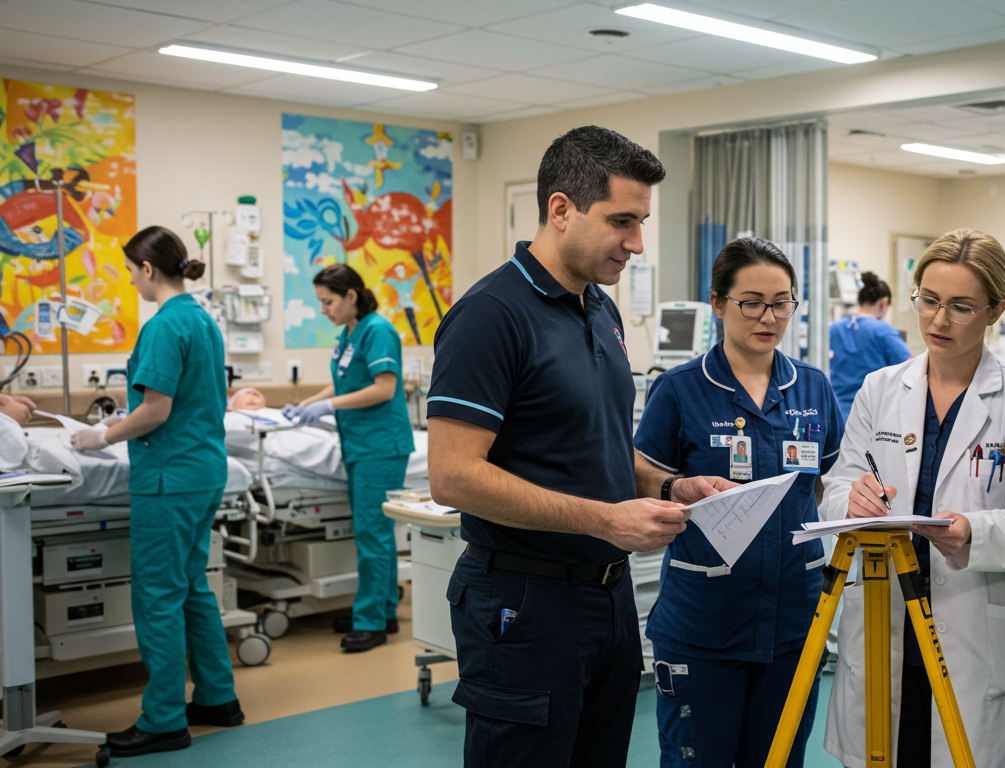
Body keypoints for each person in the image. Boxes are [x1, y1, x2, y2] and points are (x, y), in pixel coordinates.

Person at [425, 126, 731, 768]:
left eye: (642, 222)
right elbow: (452, 477)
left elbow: (599, 445)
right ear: (560, 209)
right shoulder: (491, 315)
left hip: (607, 596)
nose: (637, 244)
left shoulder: (600, 309)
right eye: (621, 221)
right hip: (523, 600)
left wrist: (669, 486)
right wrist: (606, 519)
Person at [821, 229, 1005, 768]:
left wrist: (973, 533)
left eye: (960, 306)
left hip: (977, 627)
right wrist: (851, 501)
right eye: (928, 301)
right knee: (893, 748)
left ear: (996, 309)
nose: (938, 320)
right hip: (887, 623)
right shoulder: (880, 389)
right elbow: (839, 485)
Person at [633, 237, 844, 768]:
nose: (768, 317)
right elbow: (636, 472)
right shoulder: (681, 389)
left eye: (781, 302)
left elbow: (835, 481)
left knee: (778, 760)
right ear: (719, 303)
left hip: (792, 620)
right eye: (751, 302)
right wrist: (674, 486)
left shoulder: (812, 388)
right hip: (704, 624)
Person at [69, 226, 243, 757]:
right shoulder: (201, 319)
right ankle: (217, 697)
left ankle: (164, 719)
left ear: (148, 269)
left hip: (168, 479)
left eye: (129, 270)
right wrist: (130, 420)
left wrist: (100, 435)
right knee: (191, 586)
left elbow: (157, 410)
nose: (129, 279)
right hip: (202, 471)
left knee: (160, 595)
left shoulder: (166, 325)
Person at [283, 264, 413, 652]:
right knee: (376, 534)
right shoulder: (350, 334)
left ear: (351, 296)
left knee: (372, 536)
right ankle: (383, 610)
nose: (324, 310)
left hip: (380, 446)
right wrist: (311, 401)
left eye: (328, 301)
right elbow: (346, 379)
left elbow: (384, 388)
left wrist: (327, 407)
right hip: (361, 445)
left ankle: (370, 622)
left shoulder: (378, 330)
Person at [829, 271, 911, 422]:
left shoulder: (834, 328)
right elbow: (911, 369)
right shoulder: (884, 331)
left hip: (837, 415)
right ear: (884, 302)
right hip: (870, 417)